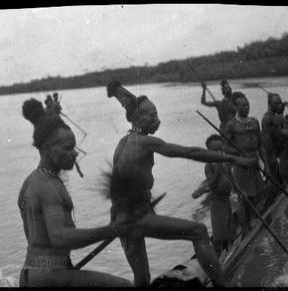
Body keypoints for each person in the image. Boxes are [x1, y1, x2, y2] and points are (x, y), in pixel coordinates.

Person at [109, 92, 257, 287]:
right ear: (138, 118)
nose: (157, 120)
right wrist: (235, 159)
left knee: (142, 279)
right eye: (152, 116)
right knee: (199, 231)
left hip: (119, 218)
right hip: (135, 217)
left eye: (157, 114)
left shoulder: (122, 142)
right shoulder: (145, 142)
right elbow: (190, 152)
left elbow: (121, 188)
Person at [18, 98, 133, 287]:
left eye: (74, 147)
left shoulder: (31, 181)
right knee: (125, 286)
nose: (75, 153)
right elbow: (59, 237)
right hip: (48, 277)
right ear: (47, 149)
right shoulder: (48, 186)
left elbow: (43, 241)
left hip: (33, 274)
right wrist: (112, 229)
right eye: (67, 148)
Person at [224, 92, 269, 236]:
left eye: (248, 104)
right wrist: (240, 154)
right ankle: (245, 228)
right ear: (236, 107)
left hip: (254, 163)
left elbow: (260, 145)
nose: (246, 107)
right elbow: (226, 147)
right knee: (245, 197)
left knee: (258, 194)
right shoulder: (231, 125)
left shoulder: (254, 122)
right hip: (241, 165)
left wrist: (265, 165)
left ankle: (250, 220)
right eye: (242, 105)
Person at [261, 93, 288, 182]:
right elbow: (275, 135)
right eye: (276, 103)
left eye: (279, 103)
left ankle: (283, 180)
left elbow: (279, 131)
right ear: (269, 104)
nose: (279, 105)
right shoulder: (268, 118)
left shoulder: (274, 116)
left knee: (278, 172)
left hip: (276, 149)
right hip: (270, 151)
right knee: (273, 174)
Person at [204, 134, 234, 256]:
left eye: (221, 149)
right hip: (217, 201)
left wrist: (236, 190)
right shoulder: (209, 166)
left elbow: (231, 178)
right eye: (215, 150)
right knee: (218, 231)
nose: (219, 152)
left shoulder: (225, 163)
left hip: (226, 199)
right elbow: (211, 184)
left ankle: (229, 250)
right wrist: (217, 170)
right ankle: (217, 253)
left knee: (228, 226)